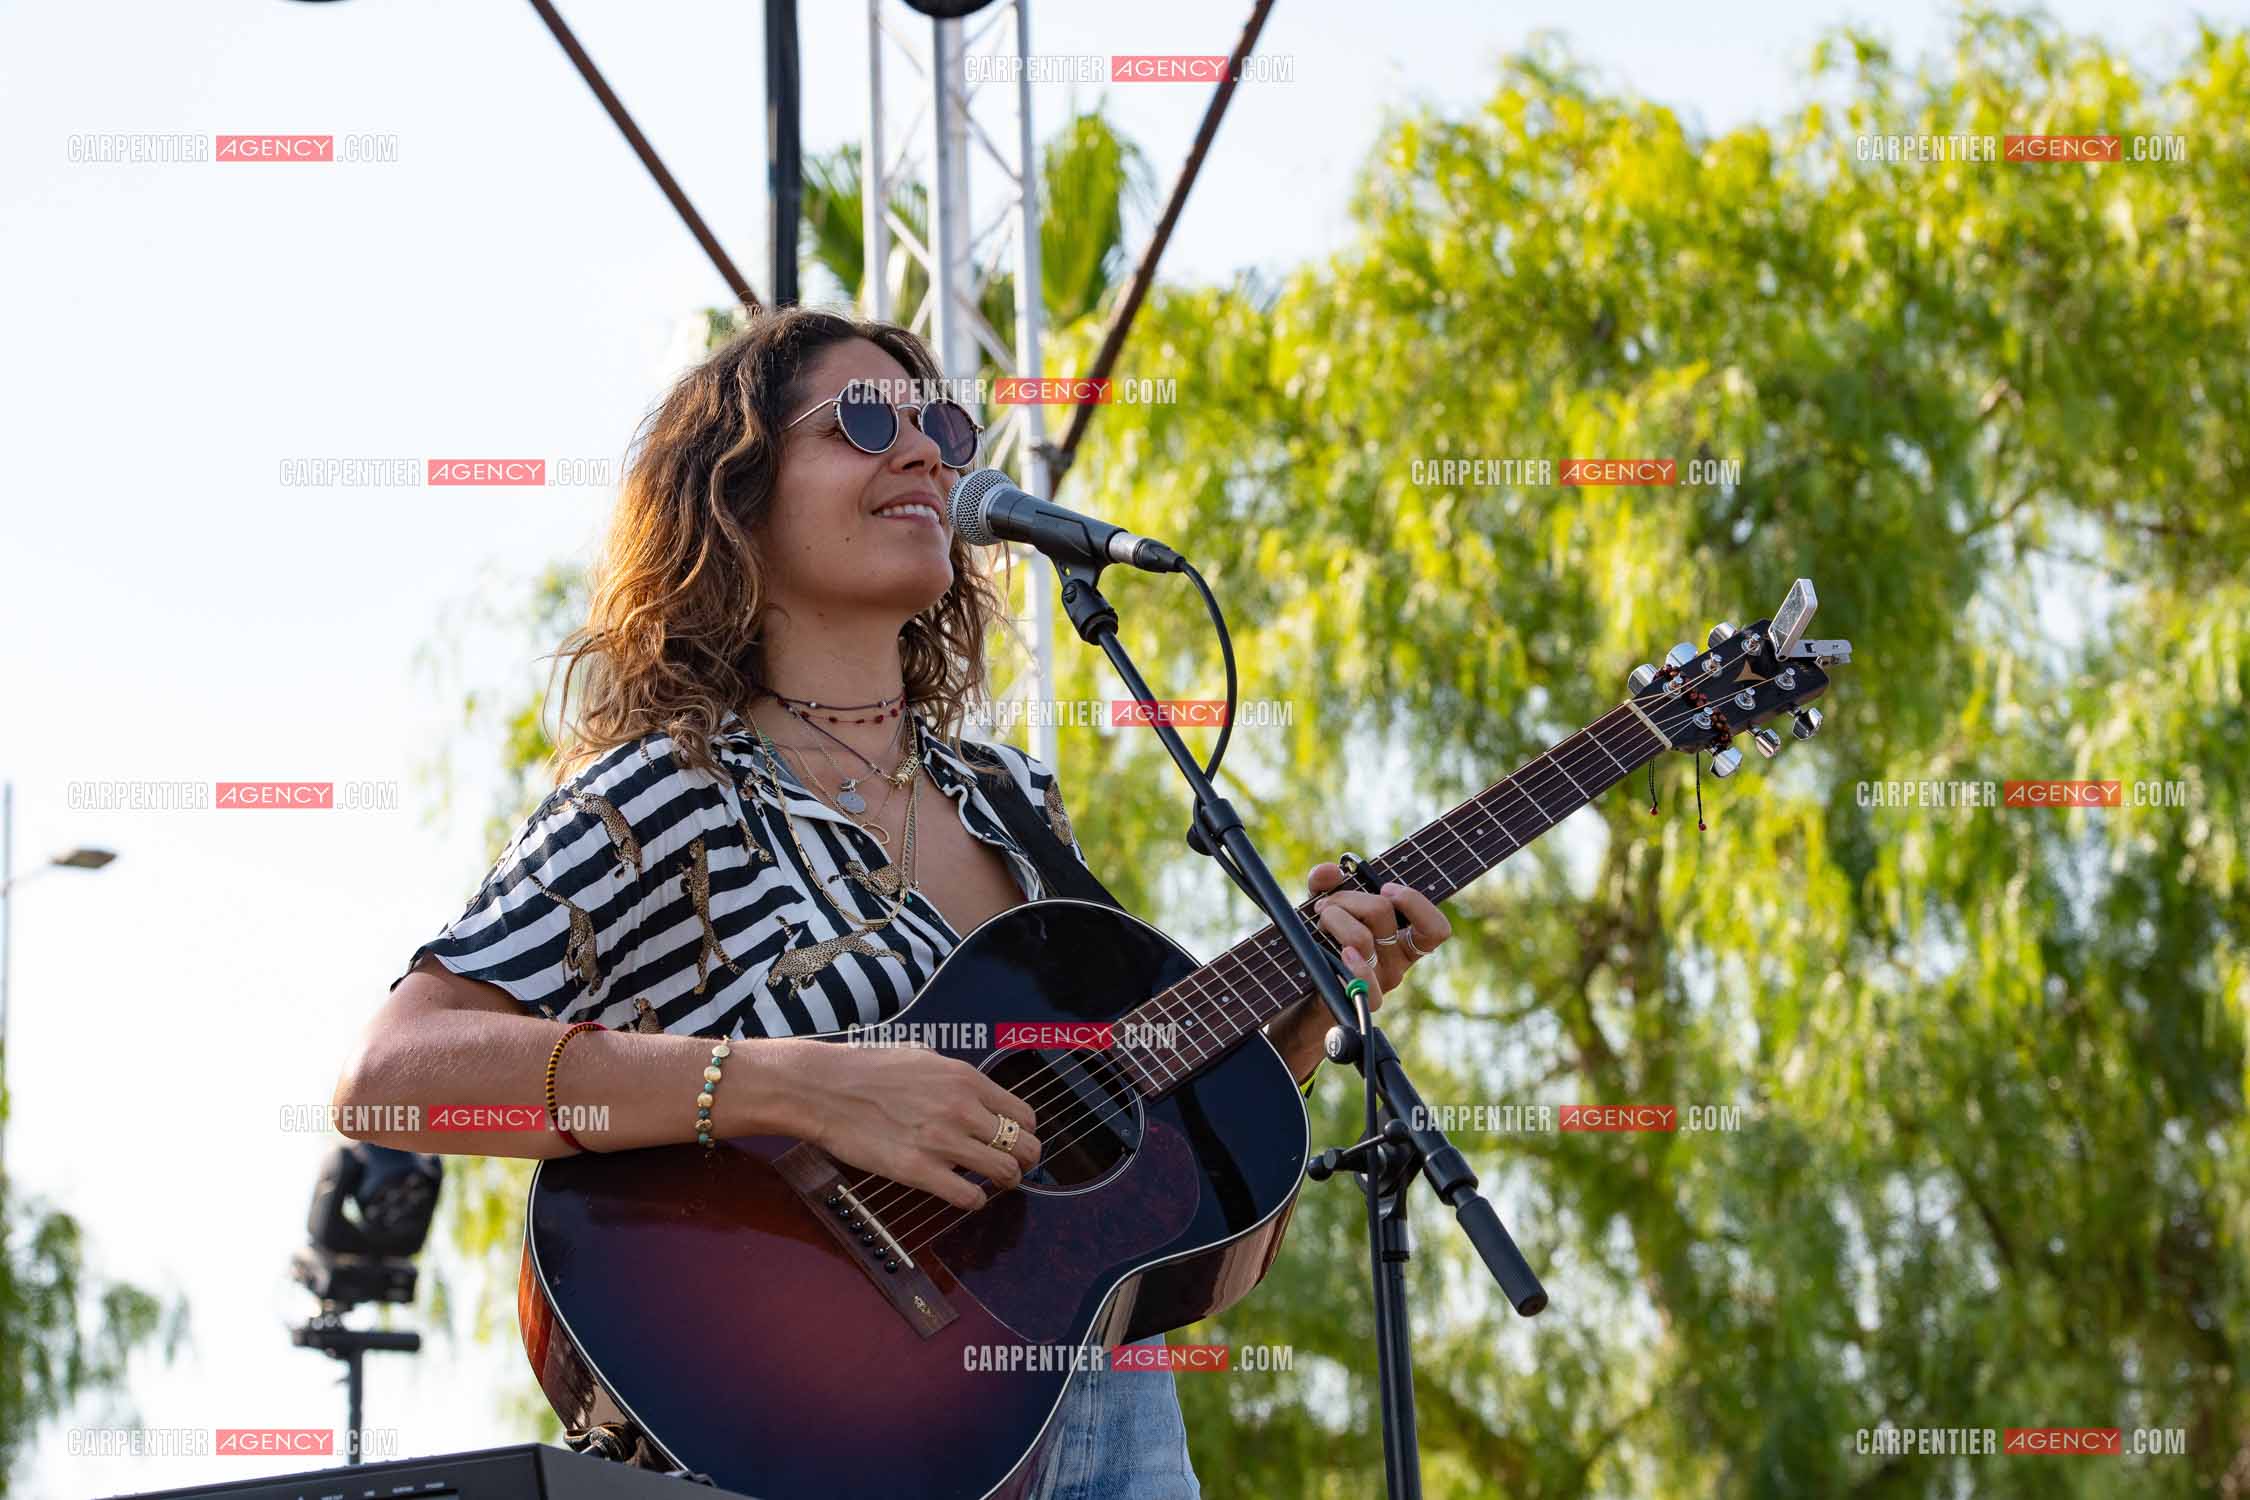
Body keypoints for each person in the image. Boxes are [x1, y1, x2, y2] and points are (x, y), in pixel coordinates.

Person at [332, 306, 1452, 1500]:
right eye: (864, 422)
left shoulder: (1013, 801)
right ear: (739, 492)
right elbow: (395, 1079)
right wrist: (797, 1086)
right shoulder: (669, 792)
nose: (924, 454)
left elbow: (1130, 1161)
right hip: (822, 1423)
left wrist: (1297, 1015)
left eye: (942, 429)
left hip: (1098, 1406)